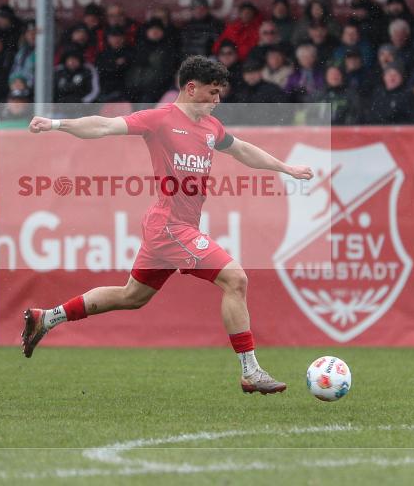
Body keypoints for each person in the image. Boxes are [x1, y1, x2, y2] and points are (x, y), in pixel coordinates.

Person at [21, 55, 314, 394]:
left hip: (172, 226)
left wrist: (286, 168)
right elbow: (104, 126)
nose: (218, 101)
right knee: (235, 278)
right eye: (213, 93)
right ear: (191, 88)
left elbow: (242, 150)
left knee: (131, 296)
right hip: (171, 226)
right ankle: (251, 370)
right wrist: (57, 124)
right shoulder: (160, 119)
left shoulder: (211, 128)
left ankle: (47, 317)